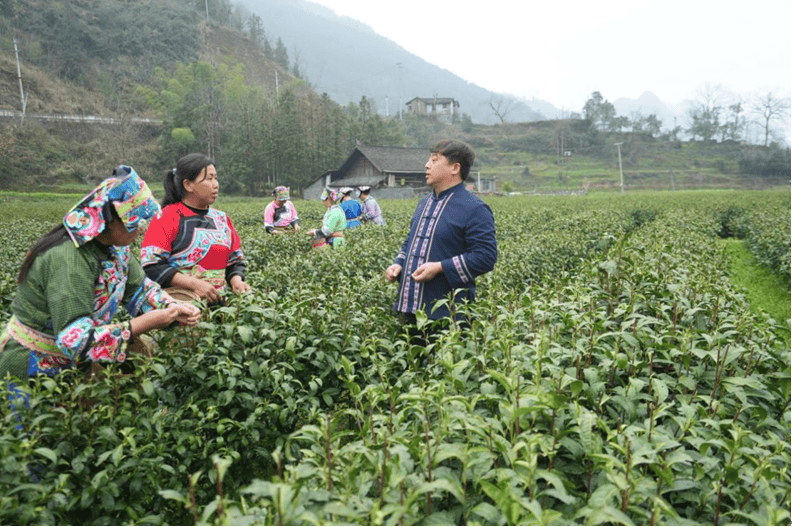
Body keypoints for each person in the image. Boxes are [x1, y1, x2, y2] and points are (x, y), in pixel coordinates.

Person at [0, 166, 201, 384]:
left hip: (73, 368)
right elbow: (74, 340)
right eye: (136, 223)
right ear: (110, 220)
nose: (142, 229)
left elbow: (140, 290)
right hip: (31, 367)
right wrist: (142, 324)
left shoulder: (117, 249)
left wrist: (173, 307)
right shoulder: (69, 259)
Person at [385, 140, 497, 337]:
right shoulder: (424, 203)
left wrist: (439, 267)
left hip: (445, 314)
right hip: (408, 306)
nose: (427, 165)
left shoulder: (475, 208)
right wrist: (399, 263)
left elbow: (485, 256)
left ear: (455, 168)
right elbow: (410, 242)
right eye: (429, 160)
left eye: (434, 160)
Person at [141, 153, 251, 305]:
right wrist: (193, 284)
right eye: (209, 179)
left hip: (221, 309)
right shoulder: (167, 216)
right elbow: (152, 266)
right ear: (188, 185)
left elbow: (234, 262)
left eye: (215, 178)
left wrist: (236, 280)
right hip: (179, 308)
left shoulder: (222, 219)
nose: (216, 184)